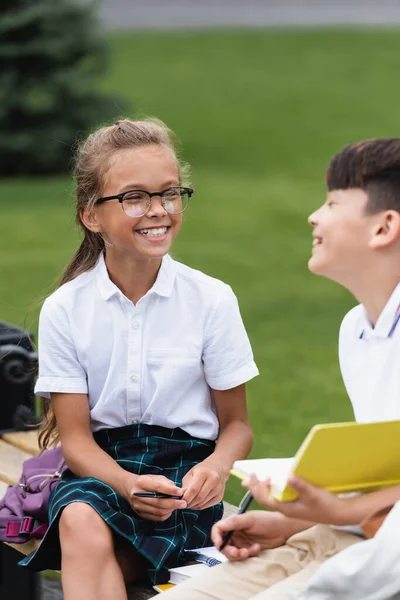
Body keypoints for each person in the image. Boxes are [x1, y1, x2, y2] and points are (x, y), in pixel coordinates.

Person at [19, 118, 259, 600]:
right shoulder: (65, 309)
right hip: (102, 471)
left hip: (185, 482)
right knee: (83, 518)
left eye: (169, 193)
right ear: (92, 215)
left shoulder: (211, 299)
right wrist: (127, 484)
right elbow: (78, 442)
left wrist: (215, 468)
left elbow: (238, 426)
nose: (158, 210)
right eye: (134, 198)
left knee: (104, 555)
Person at [160, 138, 400, 600]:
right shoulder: (358, 329)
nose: (315, 216)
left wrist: (330, 511)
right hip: (351, 537)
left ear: (384, 227)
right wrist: (292, 521)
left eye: (332, 202)